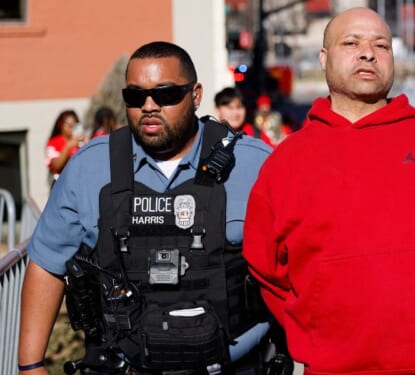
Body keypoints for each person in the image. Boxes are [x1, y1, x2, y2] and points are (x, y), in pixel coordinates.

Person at [242, 7, 415, 375]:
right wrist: (317, 330)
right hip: (336, 368)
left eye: (381, 45)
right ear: (323, 58)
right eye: (351, 42)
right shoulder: (287, 162)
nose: (368, 53)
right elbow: (265, 267)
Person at [19, 41, 274, 375]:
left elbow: (301, 262)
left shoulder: (253, 164)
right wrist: (31, 365)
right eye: (135, 96)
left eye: (165, 94)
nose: (149, 106)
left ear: (196, 95)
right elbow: (47, 261)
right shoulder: (89, 167)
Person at [46, 109, 84, 182]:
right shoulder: (53, 142)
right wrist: (68, 146)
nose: (72, 129)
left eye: (75, 126)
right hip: (60, 181)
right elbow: (56, 165)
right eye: (70, 126)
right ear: (61, 125)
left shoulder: (80, 141)